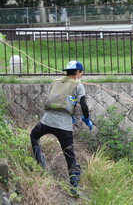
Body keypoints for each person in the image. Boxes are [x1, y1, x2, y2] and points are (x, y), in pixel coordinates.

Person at [30, 60, 93, 197]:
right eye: (81, 72)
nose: (81, 75)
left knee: (34, 136)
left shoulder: (55, 82)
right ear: (77, 72)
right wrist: (86, 119)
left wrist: (70, 114)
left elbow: (56, 100)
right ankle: (74, 190)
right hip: (64, 126)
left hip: (46, 121)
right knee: (70, 158)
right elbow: (84, 106)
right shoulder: (79, 85)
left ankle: (41, 162)